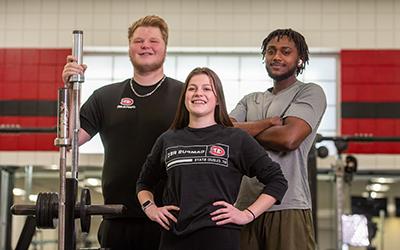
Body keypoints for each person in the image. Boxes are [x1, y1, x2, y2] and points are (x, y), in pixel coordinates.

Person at [62, 15, 183, 249]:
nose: (145, 45)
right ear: (129, 48)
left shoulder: (184, 95)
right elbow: (70, 140)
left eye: (153, 41)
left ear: (165, 48)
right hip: (117, 216)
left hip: (169, 215)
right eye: (138, 41)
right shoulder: (105, 97)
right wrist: (70, 90)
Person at [136, 67, 288, 250]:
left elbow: (277, 181)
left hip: (220, 238)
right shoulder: (168, 139)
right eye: (192, 88)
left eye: (207, 89)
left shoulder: (236, 138)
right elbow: (144, 183)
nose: (198, 93)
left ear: (218, 99)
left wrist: (247, 214)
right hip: (174, 238)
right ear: (184, 97)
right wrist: (150, 208)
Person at [230, 29, 327, 250]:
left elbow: (289, 139)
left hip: (288, 204)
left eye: (286, 52)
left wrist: (244, 131)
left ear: (299, 59)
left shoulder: (309, 92)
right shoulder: (250, 100)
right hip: (245, 206)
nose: (277, 57)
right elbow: (224, 133)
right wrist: (266, 124)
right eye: (271, 51)